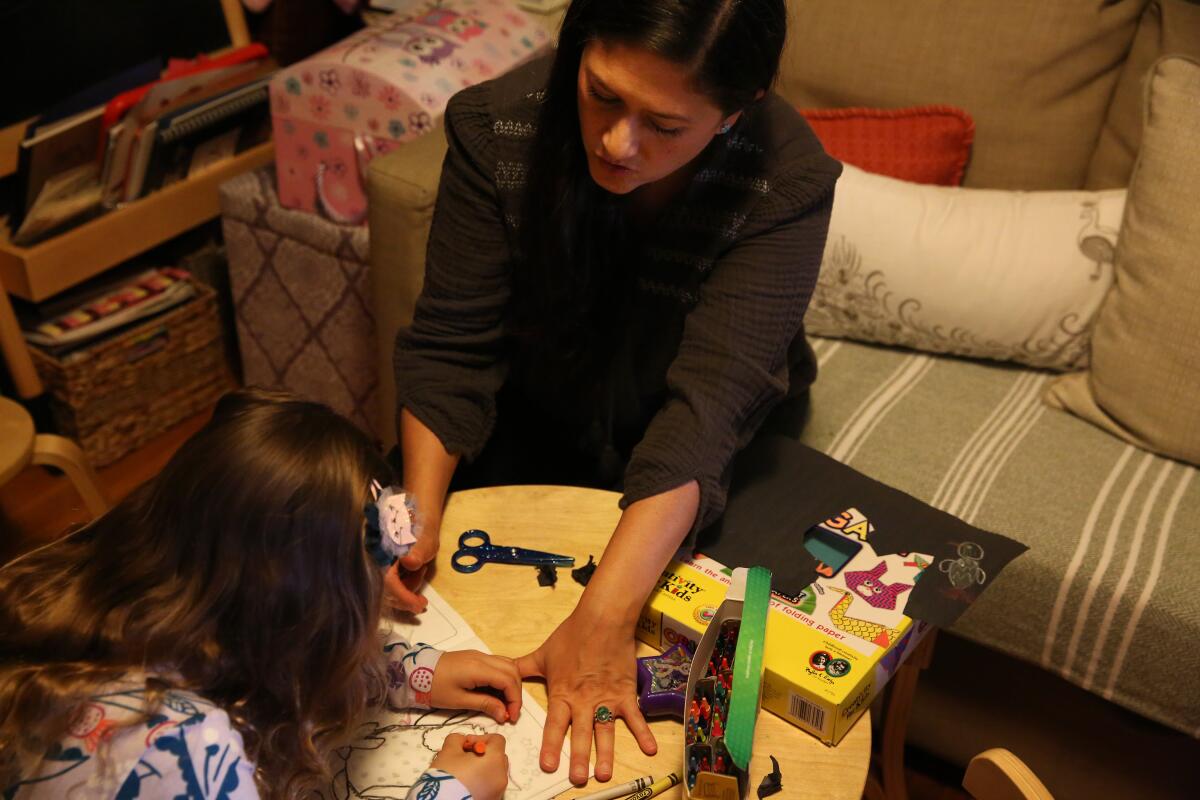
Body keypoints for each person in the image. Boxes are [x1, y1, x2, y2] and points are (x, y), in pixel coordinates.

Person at [389, 0, 841, 786]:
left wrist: (602, 620)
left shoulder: (787, 178)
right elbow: (450, 347)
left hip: (699, 441)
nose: (616, 142)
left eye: (665, 126)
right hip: (537, 407)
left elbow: (704, 416)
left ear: (739, 110)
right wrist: (415, 522)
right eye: (601, 93)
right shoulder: (500, 128)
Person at [0, 389, 519, 800]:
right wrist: (448, 793)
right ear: (292, 618)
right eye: (361, 608)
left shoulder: (95, 588)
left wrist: (399, 672)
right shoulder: (179, 750)